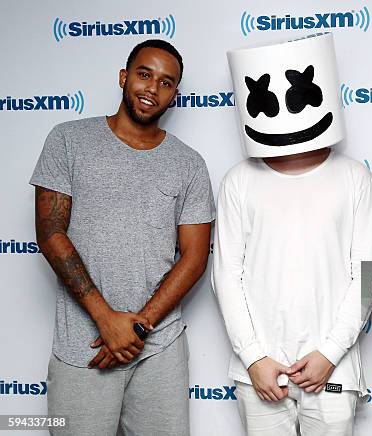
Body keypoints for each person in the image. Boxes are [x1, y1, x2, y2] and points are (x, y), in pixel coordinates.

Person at [30, 39, 214, 436]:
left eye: (166, 83)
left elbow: (194, 259)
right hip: (83, 347)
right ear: (124, 77)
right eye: (144, 74)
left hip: (159, 349)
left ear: (174, 96)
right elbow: (50, 232)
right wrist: (105, 318)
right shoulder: (68, 140)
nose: (152, 88)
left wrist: (139, 327)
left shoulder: (190, 165)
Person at [214, 34, 372, 436]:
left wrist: (329, 353)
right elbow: (226, 276)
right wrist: (254, 357)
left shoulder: (354, 176)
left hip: (334, 369)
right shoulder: (238, 180)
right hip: (259, 371)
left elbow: (368, 276)